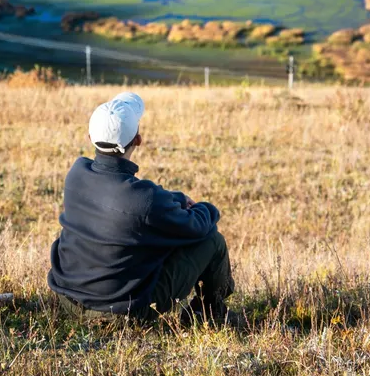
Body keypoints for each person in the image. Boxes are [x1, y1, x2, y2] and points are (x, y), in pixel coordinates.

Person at [48, 91, 236, 323]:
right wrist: (206, 208)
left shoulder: (76, 174)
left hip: (68, 300)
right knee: (212, 241)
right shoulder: (145, 200)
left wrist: (174, 199)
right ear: (138, 139)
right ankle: (210, 313)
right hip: (121, 313)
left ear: (90, 137)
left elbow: (132, 201)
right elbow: (197, 227)